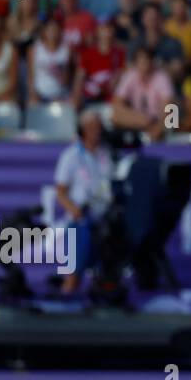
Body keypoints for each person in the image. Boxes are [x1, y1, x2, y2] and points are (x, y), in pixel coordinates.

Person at [53, 108, 112, 294]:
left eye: (99, 127)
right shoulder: (71, 155)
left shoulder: (106, 154)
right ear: (83, 130)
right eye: (92, 128)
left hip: (103, 220)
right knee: (73, 274)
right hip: (80, 222)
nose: (97, 131)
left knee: (104, 275)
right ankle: (63, 312)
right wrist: (75, 210)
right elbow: (60, 192)